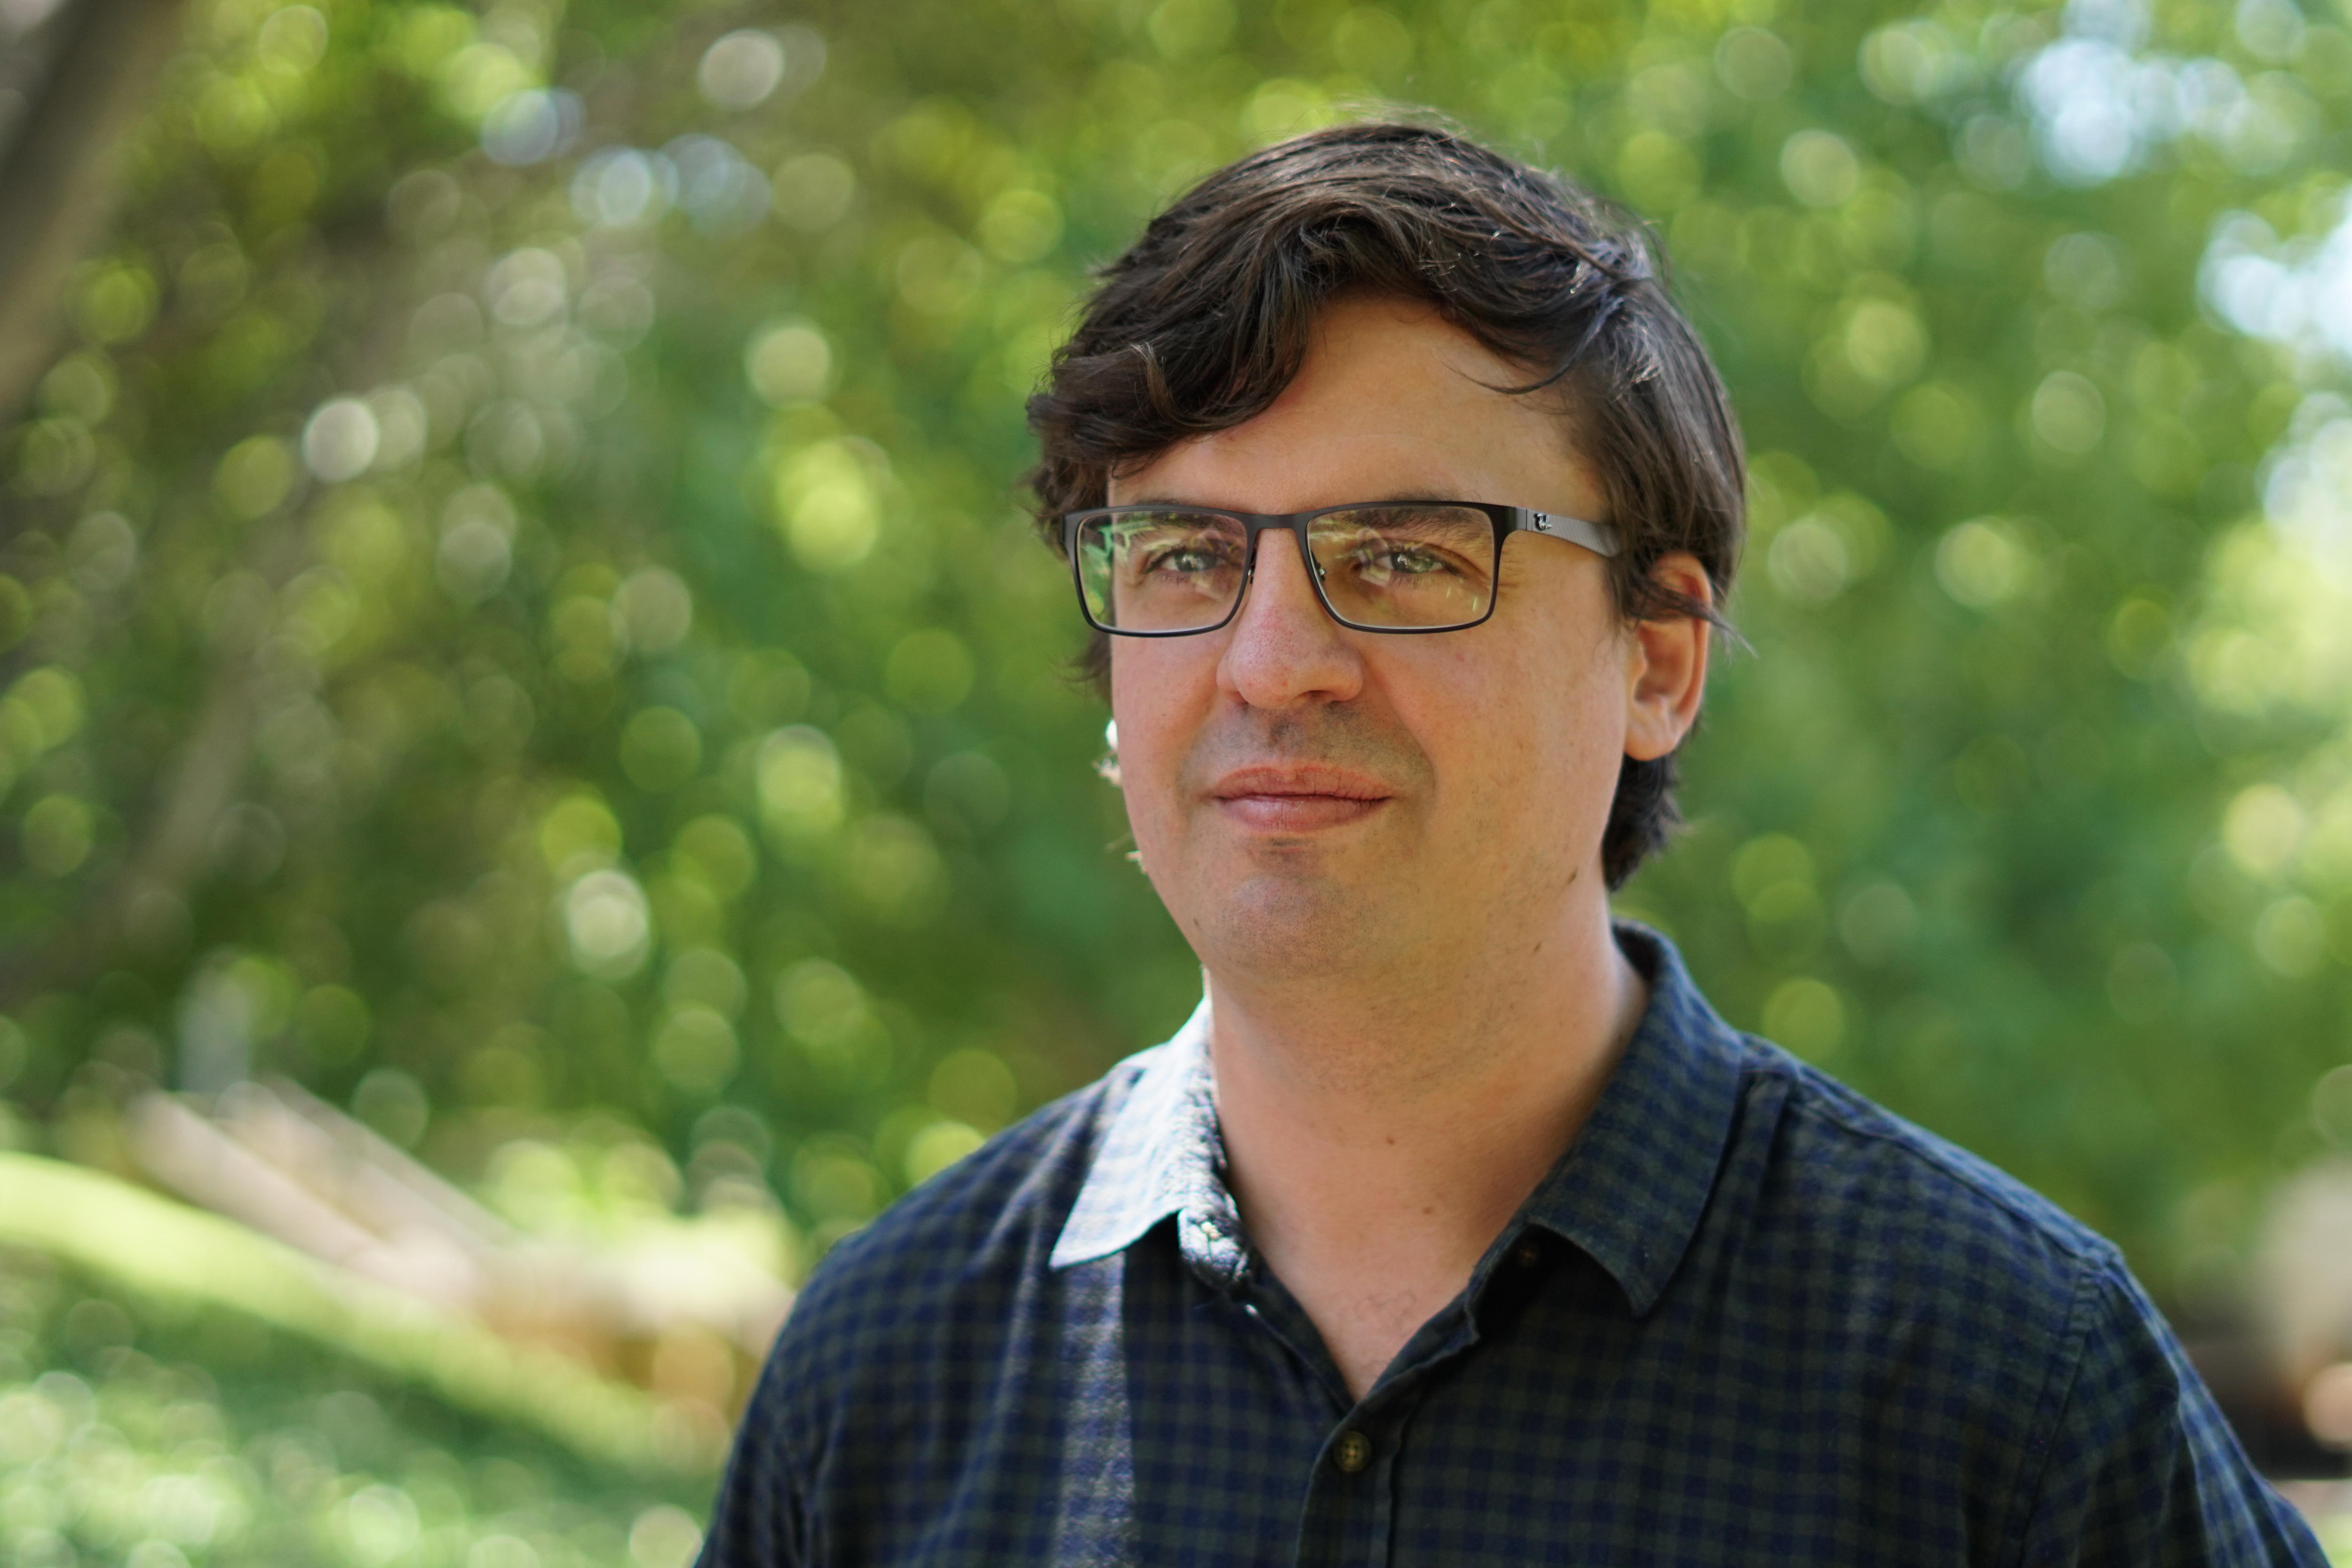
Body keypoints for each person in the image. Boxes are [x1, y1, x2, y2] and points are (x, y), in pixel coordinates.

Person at [698, 123, 2323, 1565]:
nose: (1271, 663)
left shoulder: (2013, 1389)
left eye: (1404, 556)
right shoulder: (882, 1374)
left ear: (1659, 660)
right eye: (1184, 555)